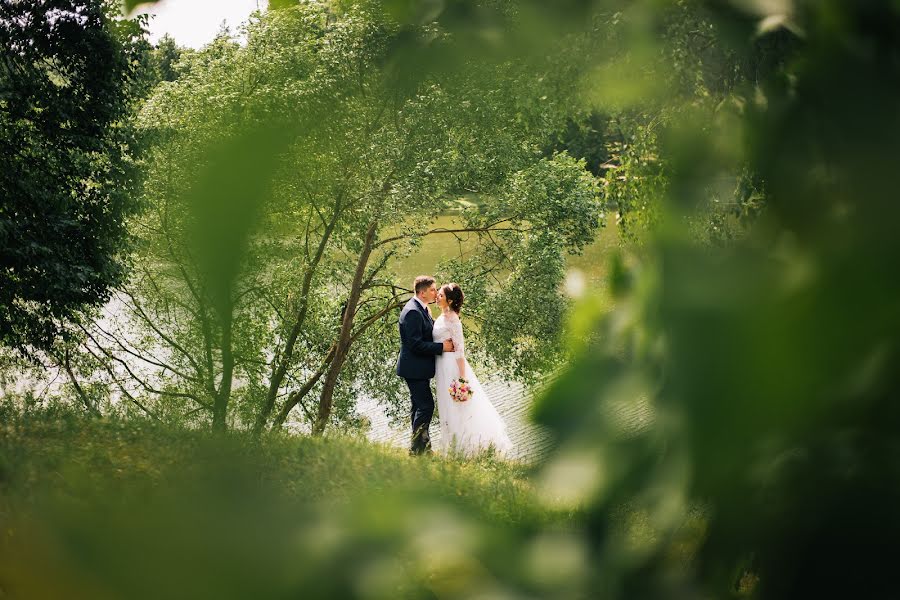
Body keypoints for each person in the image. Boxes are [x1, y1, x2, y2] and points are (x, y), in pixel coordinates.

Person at [432, 282, 512, 457]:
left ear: (450, 301)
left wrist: (462, 378)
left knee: (458, 408)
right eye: (437, 294)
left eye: (440, 295)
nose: (437, 297)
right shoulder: (441, 316)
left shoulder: (453, 320)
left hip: (451, 366)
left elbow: (460, 351)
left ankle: (467, 449)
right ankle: (452, 448)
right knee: (446, 406)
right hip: (441, 366)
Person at [396, 275, 454, 455]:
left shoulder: (423, 308)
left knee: (418, 406)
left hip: (417, 368)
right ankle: (418, 448)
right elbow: (415, 344)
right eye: (432, 290)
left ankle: (420, 447)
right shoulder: (413, 311)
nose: (435, 293)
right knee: (426, 406)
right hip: (414, 368)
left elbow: (428, 332)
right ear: (422, 293)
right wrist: (442, 347)